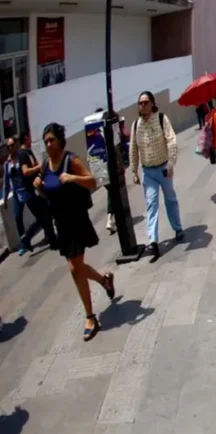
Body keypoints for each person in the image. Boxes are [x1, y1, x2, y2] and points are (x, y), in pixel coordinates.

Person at [34, 123, 116, 342]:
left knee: (74, 269)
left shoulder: (72, 160)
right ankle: (104, 280)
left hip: (76, 220)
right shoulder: (44, 165)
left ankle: (90, 317)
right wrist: (38, 187)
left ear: (60, 140)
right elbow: (47, 193)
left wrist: (72, 178)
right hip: (60, 223)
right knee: (76, 267)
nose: (49, 144)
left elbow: (92, 181)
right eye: (46, 141)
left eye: (52, 139)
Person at [129, 91, 184, 260]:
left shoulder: (161, 118)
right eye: (140, 103)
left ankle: (178, 228)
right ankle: (153, 241)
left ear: (152, 103)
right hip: (148, 172)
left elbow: (171, 139)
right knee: (151, 205)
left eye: (146, 102)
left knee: (170, 199)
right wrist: (134, 170)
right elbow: (133, 148)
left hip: (163, 168)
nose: (143, 106)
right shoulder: (136, 125)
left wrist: (171, 163)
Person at [3, 136, 57, 255]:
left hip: (31, 190)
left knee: (44, 215)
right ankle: (26, 239)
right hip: (24, 193)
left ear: (17, 144)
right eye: (8, 147)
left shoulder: (23, 154)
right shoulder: (15, 160)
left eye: (12, 145)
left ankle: (49, 238)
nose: (11, 148)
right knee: (30, 217)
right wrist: (6, 198)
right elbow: (21, 174)